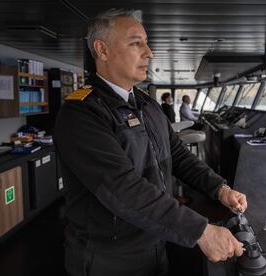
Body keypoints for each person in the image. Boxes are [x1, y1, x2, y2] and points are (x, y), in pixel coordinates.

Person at [54, 8, 247, 276]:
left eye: (146, 42)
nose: (149, 52)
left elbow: (178, 156)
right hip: (109, 257)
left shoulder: (147, 105)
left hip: (156, 237)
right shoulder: (81, 113)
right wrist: (201, 231)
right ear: (103, 50)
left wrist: (219, 188)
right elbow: (122, 188)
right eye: (136, 43)